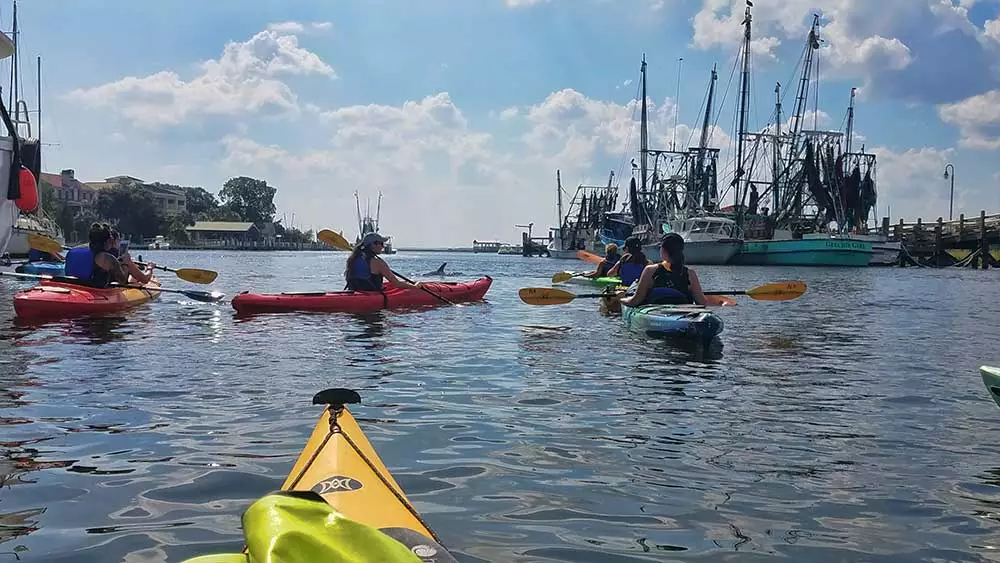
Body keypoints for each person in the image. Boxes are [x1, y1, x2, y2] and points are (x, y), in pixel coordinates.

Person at [618, 233, 709, 307]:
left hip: (655, 315)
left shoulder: (650, 270)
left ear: (663, 250)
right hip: (683, 315)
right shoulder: (690, 274)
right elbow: (702, 303)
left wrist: (621, 298)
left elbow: (635, 301)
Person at [64, 223, 155, 287]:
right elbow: (122, 281)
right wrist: (127, 264)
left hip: (72, 286)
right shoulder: (107, 259)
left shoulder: (73, 250)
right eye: (110, 240)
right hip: (93, 291)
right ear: (107, 241)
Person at [345, 233, 423, 292]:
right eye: (381, 243)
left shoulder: (353, 258)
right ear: (373, 245)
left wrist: (407, 283)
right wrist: (416, 287)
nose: (383, 247)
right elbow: (397, 284)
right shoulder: (378, 262)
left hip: (354, 291)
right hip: (371, 295)